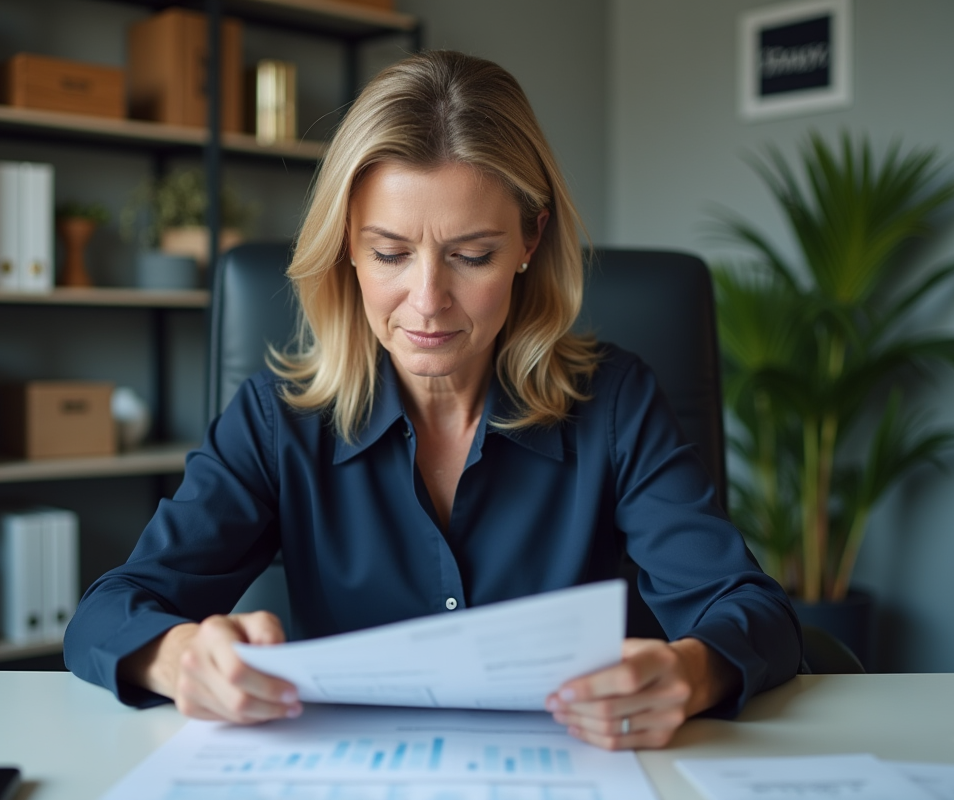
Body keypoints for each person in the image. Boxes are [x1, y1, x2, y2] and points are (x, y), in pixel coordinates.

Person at [64, 49, 802, 751]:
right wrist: (178, 655)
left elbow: (751, 612)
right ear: (346, 246)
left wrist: (688, 672)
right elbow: (107, 611)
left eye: (471, 255)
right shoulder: (275, 420)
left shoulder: (615, 403)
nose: (427, 302)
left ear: (529, 242)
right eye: (389, 253)